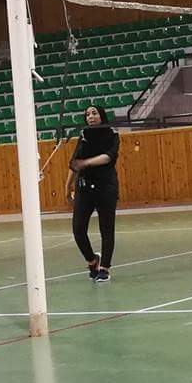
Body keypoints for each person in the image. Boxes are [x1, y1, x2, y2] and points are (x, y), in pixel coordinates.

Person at [66, 105, 121, 279]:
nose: (90, 116)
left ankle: (104, 268)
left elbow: (108, 157)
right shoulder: (83, 136)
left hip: (106, 187)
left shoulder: (112, 134)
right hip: (84, 188)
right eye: (87, 114)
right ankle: (92, 261)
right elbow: (74, 163)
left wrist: (87, 163)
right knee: (78, 229)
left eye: (94, 113)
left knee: (106, 229)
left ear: (101, 116)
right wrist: (67, 186)